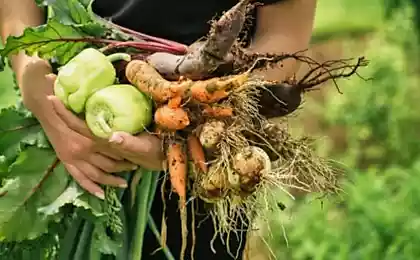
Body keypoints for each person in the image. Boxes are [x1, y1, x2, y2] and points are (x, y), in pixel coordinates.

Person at [0, 0, 316, 258]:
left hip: (207, 154)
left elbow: (285, 30)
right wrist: (33, 77)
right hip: (75, 133)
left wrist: (195, 127)